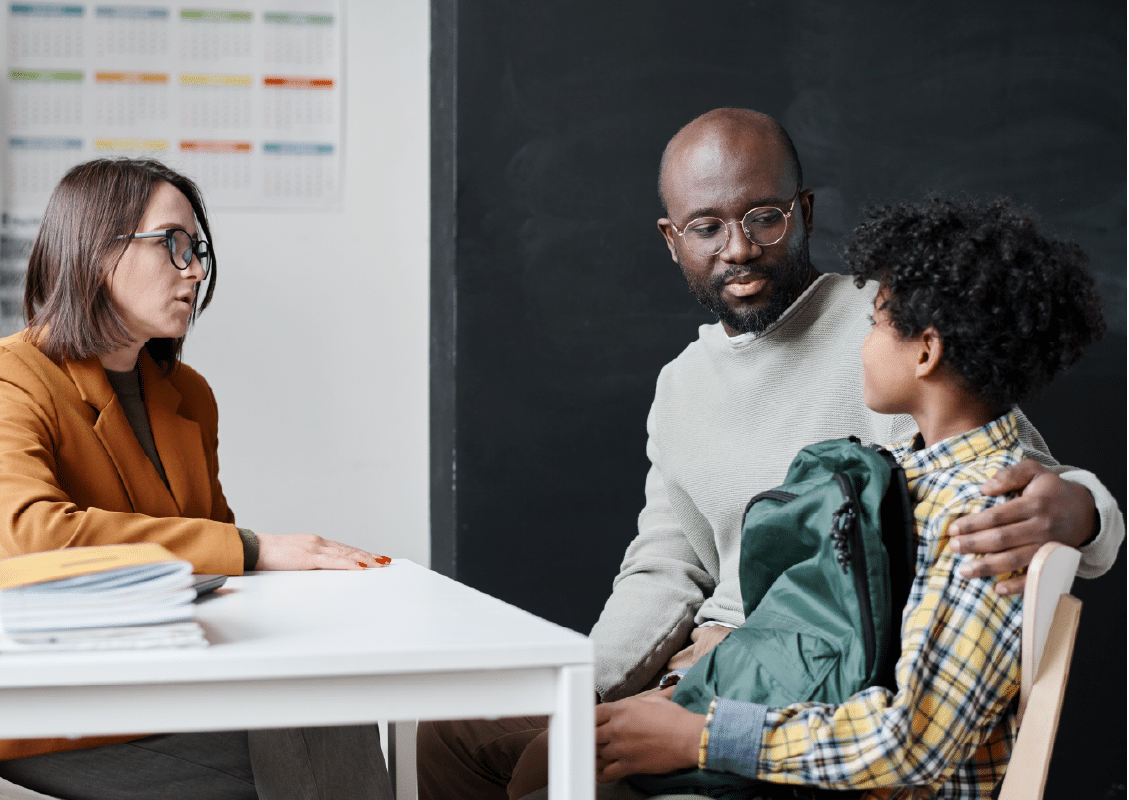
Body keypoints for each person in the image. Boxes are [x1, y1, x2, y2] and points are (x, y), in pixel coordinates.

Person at [415, 108, 1125, 800]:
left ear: (805, 211)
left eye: (764, 216)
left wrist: (1083, 510)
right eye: (707, 227)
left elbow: (1010, 471)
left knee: (561, 780)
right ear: (672, 239)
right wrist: (584, 689)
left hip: (816, 676)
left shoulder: (896, 324)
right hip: (706, 670)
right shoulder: (683, 385)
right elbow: (665, 566)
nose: (739, 248)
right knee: (450, 733)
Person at [591, 194, 1106, 799]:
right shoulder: (920, 478)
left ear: (926, 351)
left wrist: (700, 736)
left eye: (875, 325)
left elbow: (910, 745)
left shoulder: (980, 519)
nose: (861, 344)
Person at [0, 158, 395, 800]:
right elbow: (37, 540)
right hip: (26, 701)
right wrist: (259, 547)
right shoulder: (3, 376)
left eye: (198, 249)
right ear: (98, 252)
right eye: (174, 245)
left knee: (326, 704)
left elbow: (214, 554)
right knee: (305, 742)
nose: (196, 270)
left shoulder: (186, 394)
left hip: (155, 675)